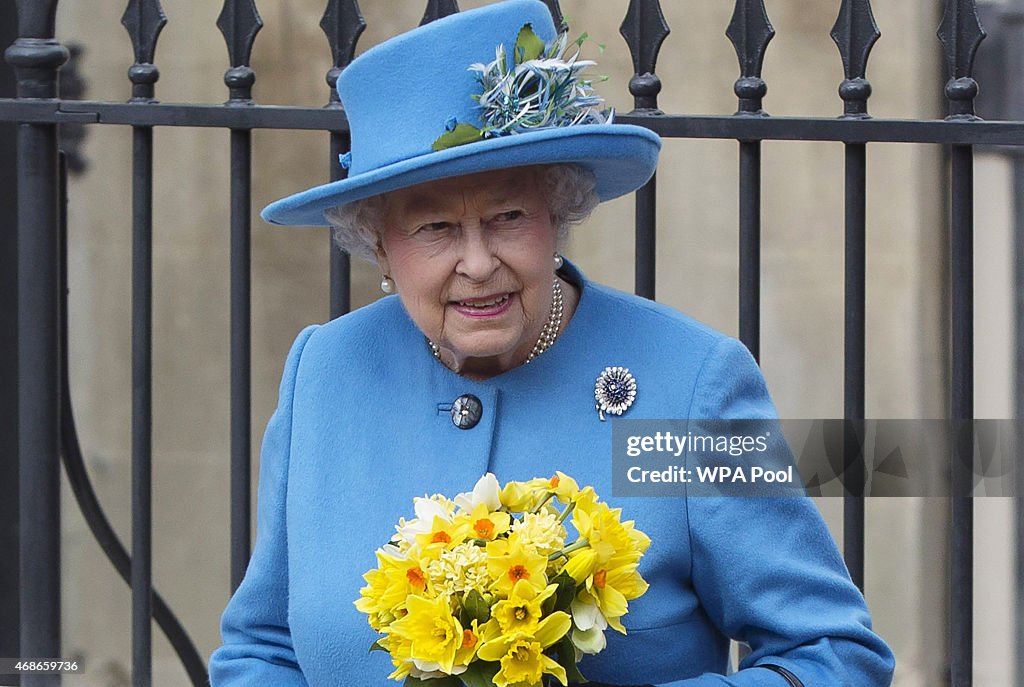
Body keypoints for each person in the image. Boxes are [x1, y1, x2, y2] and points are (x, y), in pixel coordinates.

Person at [208, 1, 895, 685]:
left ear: (557, 213)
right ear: (380, 243)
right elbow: (260, 652)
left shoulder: (693, 385)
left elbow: (834, 654)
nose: (477, 263)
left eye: (508, 216)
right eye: (435, 228)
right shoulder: (324, 373)